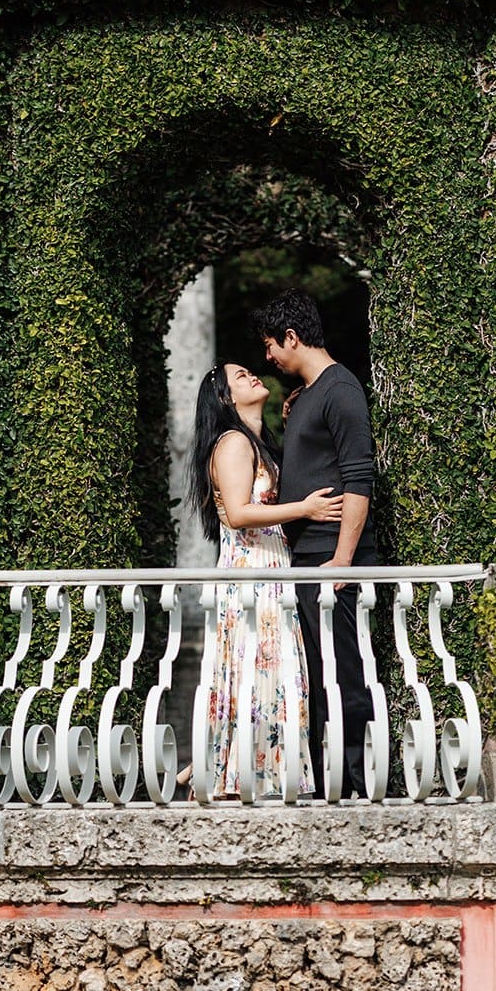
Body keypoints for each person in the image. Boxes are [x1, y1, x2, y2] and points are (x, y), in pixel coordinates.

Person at [183, 362, 343, 799]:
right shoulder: (233, 443)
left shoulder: (253, 442)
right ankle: (240, 772)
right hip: (253, 572)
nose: (252, 375)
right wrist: (304, 510)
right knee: (263, 666)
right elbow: (237, 513)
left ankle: (233, 764)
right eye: (240, 376)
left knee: (265, 668)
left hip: (268, 569)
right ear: (225, 398)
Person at [249, 290, 376, 799]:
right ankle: (330, 780)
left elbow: (359, 478)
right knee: (320, 671)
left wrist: (342, 559)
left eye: (270, 346)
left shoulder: (341, 390)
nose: (268, 358)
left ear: (292, 337)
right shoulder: (309, 394)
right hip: (307, 557)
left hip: (332, 557)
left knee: (345, 669)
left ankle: (360, 781)